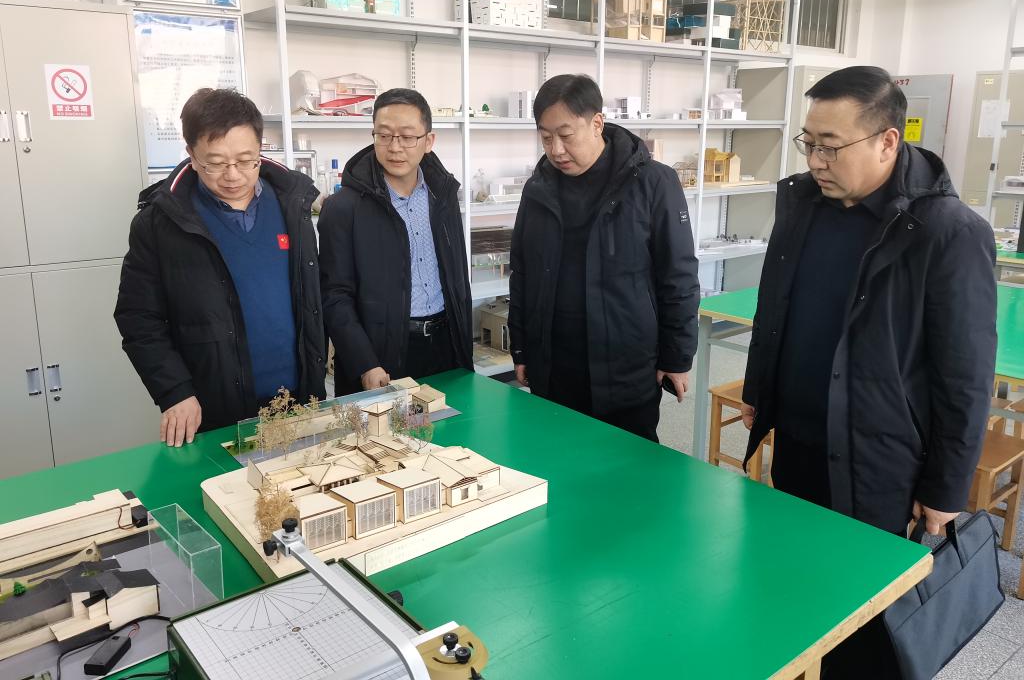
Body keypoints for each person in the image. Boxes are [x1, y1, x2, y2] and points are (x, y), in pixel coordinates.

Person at [740, 66, 996, 677]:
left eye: (831, 146)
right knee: (794, 591)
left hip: (878, 461)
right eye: (808, 142)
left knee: (864, 620)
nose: (816, 160)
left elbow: (964, 376)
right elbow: (775, 305)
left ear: (887, 141)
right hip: (798, 440)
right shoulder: (803, 205)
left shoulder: (947, 233)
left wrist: (945, 489)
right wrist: (759, 388)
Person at [115, 88, 326, 447]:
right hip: (215, 409)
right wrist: (174, 390)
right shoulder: (161, 223)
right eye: (215, 163)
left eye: (246, 160)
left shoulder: (292, 204)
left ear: (260, 150)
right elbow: (138, 318)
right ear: (192, 155)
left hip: (300, 400)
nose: (233, 175)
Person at [508, 74, 700, 442]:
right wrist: (521, 348)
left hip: (625, 363)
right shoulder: (538, 189)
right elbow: (523, 274)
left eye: (566, 135)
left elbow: (678, 275)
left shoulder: (652, 182)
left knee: (628, 461)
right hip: (555, 362)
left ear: (597, 123)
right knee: (556, 454)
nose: (556, 150)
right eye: (546, 138)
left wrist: (677, 357)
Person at [318, 88, 473, 394]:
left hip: (446, 345)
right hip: (382, 357)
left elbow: (457, 276)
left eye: (407, 136)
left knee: (455, 423)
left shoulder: (443, 196)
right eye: (384, 135)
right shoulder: (344, 208)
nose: (395, 147)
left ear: (429, 141)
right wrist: (365, 363)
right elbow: (334, 296)